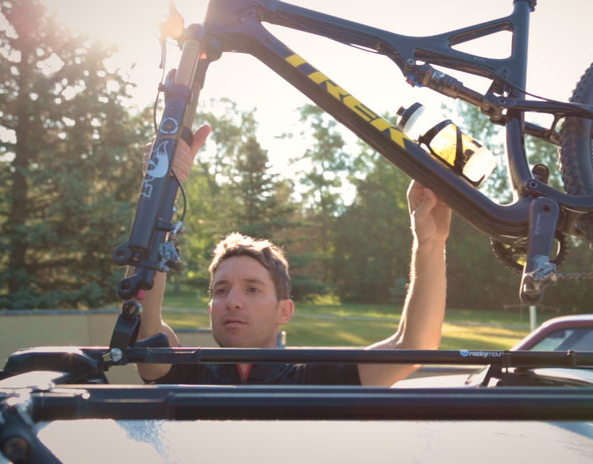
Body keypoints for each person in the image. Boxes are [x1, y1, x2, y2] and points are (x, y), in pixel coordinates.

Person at [130, 125, 451, 387]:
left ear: (285, 311)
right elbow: (142, 311)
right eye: (221, 290)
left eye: (253, 289)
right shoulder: (187, 374)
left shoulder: (316, 379)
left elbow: (413, 347)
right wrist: (160, 189)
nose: (233, 301)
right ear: (210, 308)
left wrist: (430, 243)